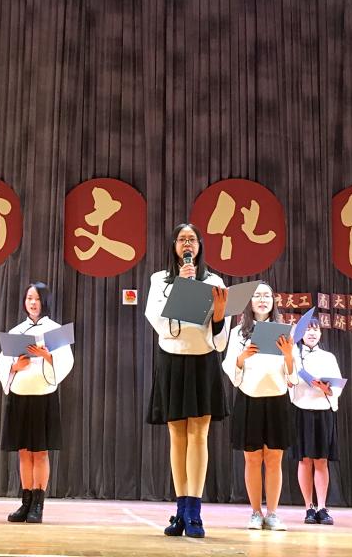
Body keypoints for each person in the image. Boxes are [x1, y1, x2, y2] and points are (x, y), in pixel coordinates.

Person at [144, 223, 229, 539]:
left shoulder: (214, 281)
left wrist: (218, 316)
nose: (187, 244)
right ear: (174, 246)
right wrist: (181, 286)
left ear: (200, 245)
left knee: (199, 434)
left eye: (192, 239)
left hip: (202, 360)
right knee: (176, 435)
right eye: (182, 239)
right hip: (172, 360)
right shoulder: (159, 280)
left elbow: (220, 336)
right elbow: (156, 319)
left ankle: (195, 511)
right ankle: (180, 509)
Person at [0, 282, 73, 524]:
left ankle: (38, 504)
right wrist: (14, 366)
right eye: (29, 298)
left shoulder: (55, 330)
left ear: (44, 301)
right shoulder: (17, 330)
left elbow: (67, 362)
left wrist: (46, 356)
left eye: (37, 298)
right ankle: (25, 502)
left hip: (43, 395)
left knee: (40, 452)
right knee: (24, 452)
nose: (32, 302)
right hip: (20, 395)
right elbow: (1, 364)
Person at [222, 283, 297, 531]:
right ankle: (255, 513)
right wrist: (242, 357)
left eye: (267, 296)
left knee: (274, 459)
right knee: (252, 459)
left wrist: (288, 354)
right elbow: (230, 367)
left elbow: (293, 375)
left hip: (277, 398)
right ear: (250, 302)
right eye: (257, 296)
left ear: (274, 301)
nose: (262, 300)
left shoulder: (285, 330)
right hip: (249, 397)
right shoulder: (238, 333)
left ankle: (273, 514)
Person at [290, 318, 343, 526]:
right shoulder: (293, 355)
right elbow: (289, 380)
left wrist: (327, 388)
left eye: (316, 329)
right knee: (305, 460)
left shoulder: (328, 357)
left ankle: (322, 507)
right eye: (307, 330)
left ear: (321, 333)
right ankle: (308, 508)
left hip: (323, 410)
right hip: (301, 410)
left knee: (321, 460)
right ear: (300, 334)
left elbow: (337, 386)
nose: (312, 333)